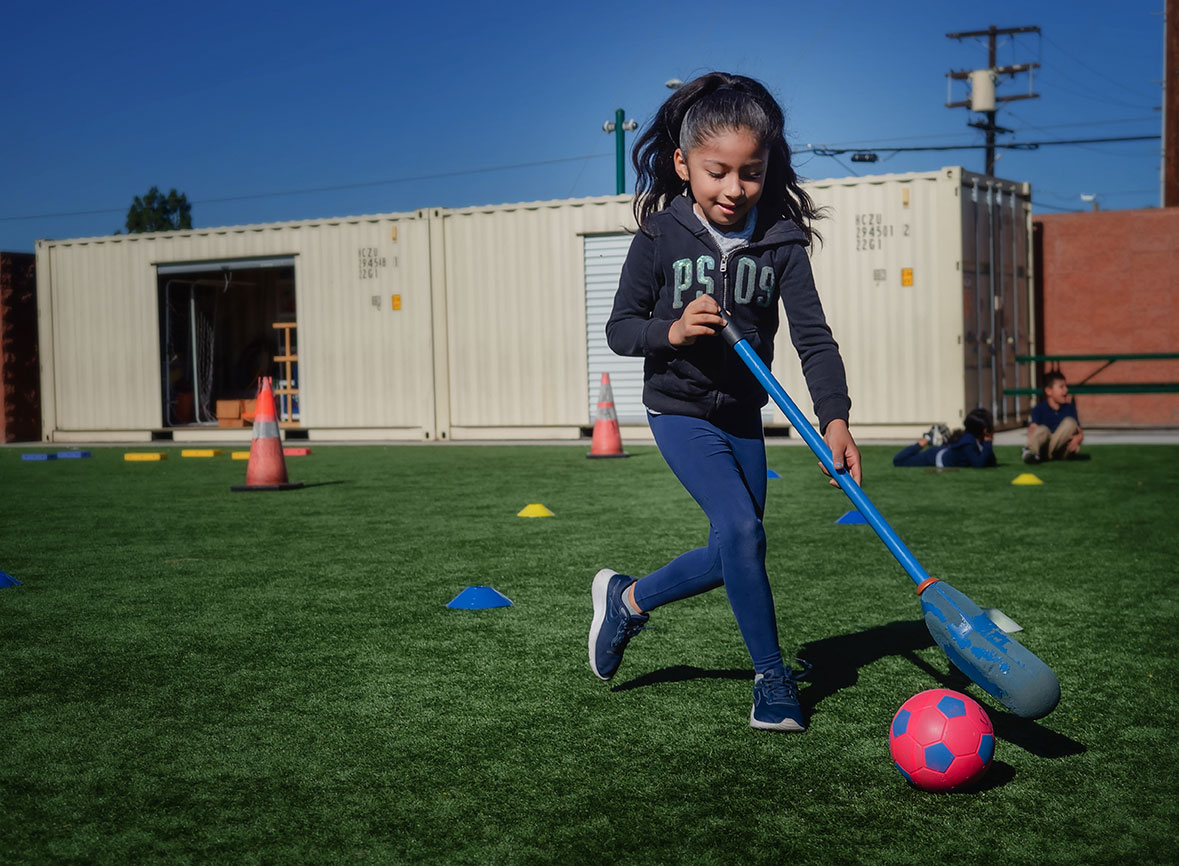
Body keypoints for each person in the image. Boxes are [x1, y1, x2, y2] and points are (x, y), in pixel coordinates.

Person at [589, 72, 859, 733]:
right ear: (682, 164)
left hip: (742, 413)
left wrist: (834, 420)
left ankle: (626, 600)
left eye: (750, 173)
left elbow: (813, 340)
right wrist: (671, 331)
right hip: (677, 409)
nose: (733, 189)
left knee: (735, 549)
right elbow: (620, 330)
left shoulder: (782, 242)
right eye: (716, 172)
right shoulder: (657, 237)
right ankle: (772, 679)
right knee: (741, 533)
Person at [892, 408, 996, 469]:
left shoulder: (976, 440)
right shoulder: (968, 443)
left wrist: (987, 444)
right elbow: (978, 464)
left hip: (946, 450)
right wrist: (988, 443)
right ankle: (926, 440)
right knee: (899, 461)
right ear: (984, 431)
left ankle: (939, 438)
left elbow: (990, 461)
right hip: (934, 457)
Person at [1022, 370, 1084, 464]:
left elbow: (1079, 431)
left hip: (1062, 451)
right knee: (1043, 430)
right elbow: (1033, 428)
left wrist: (1079, 438)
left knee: (1070, 422)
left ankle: (1033, 453)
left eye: (1066, 386)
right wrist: (1032, 434)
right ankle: (1031, 451)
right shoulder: (1039, 408)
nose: (1066, 390)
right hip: (1043, 448)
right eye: (1061, 387)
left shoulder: (1070, 408)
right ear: (1048, 391)